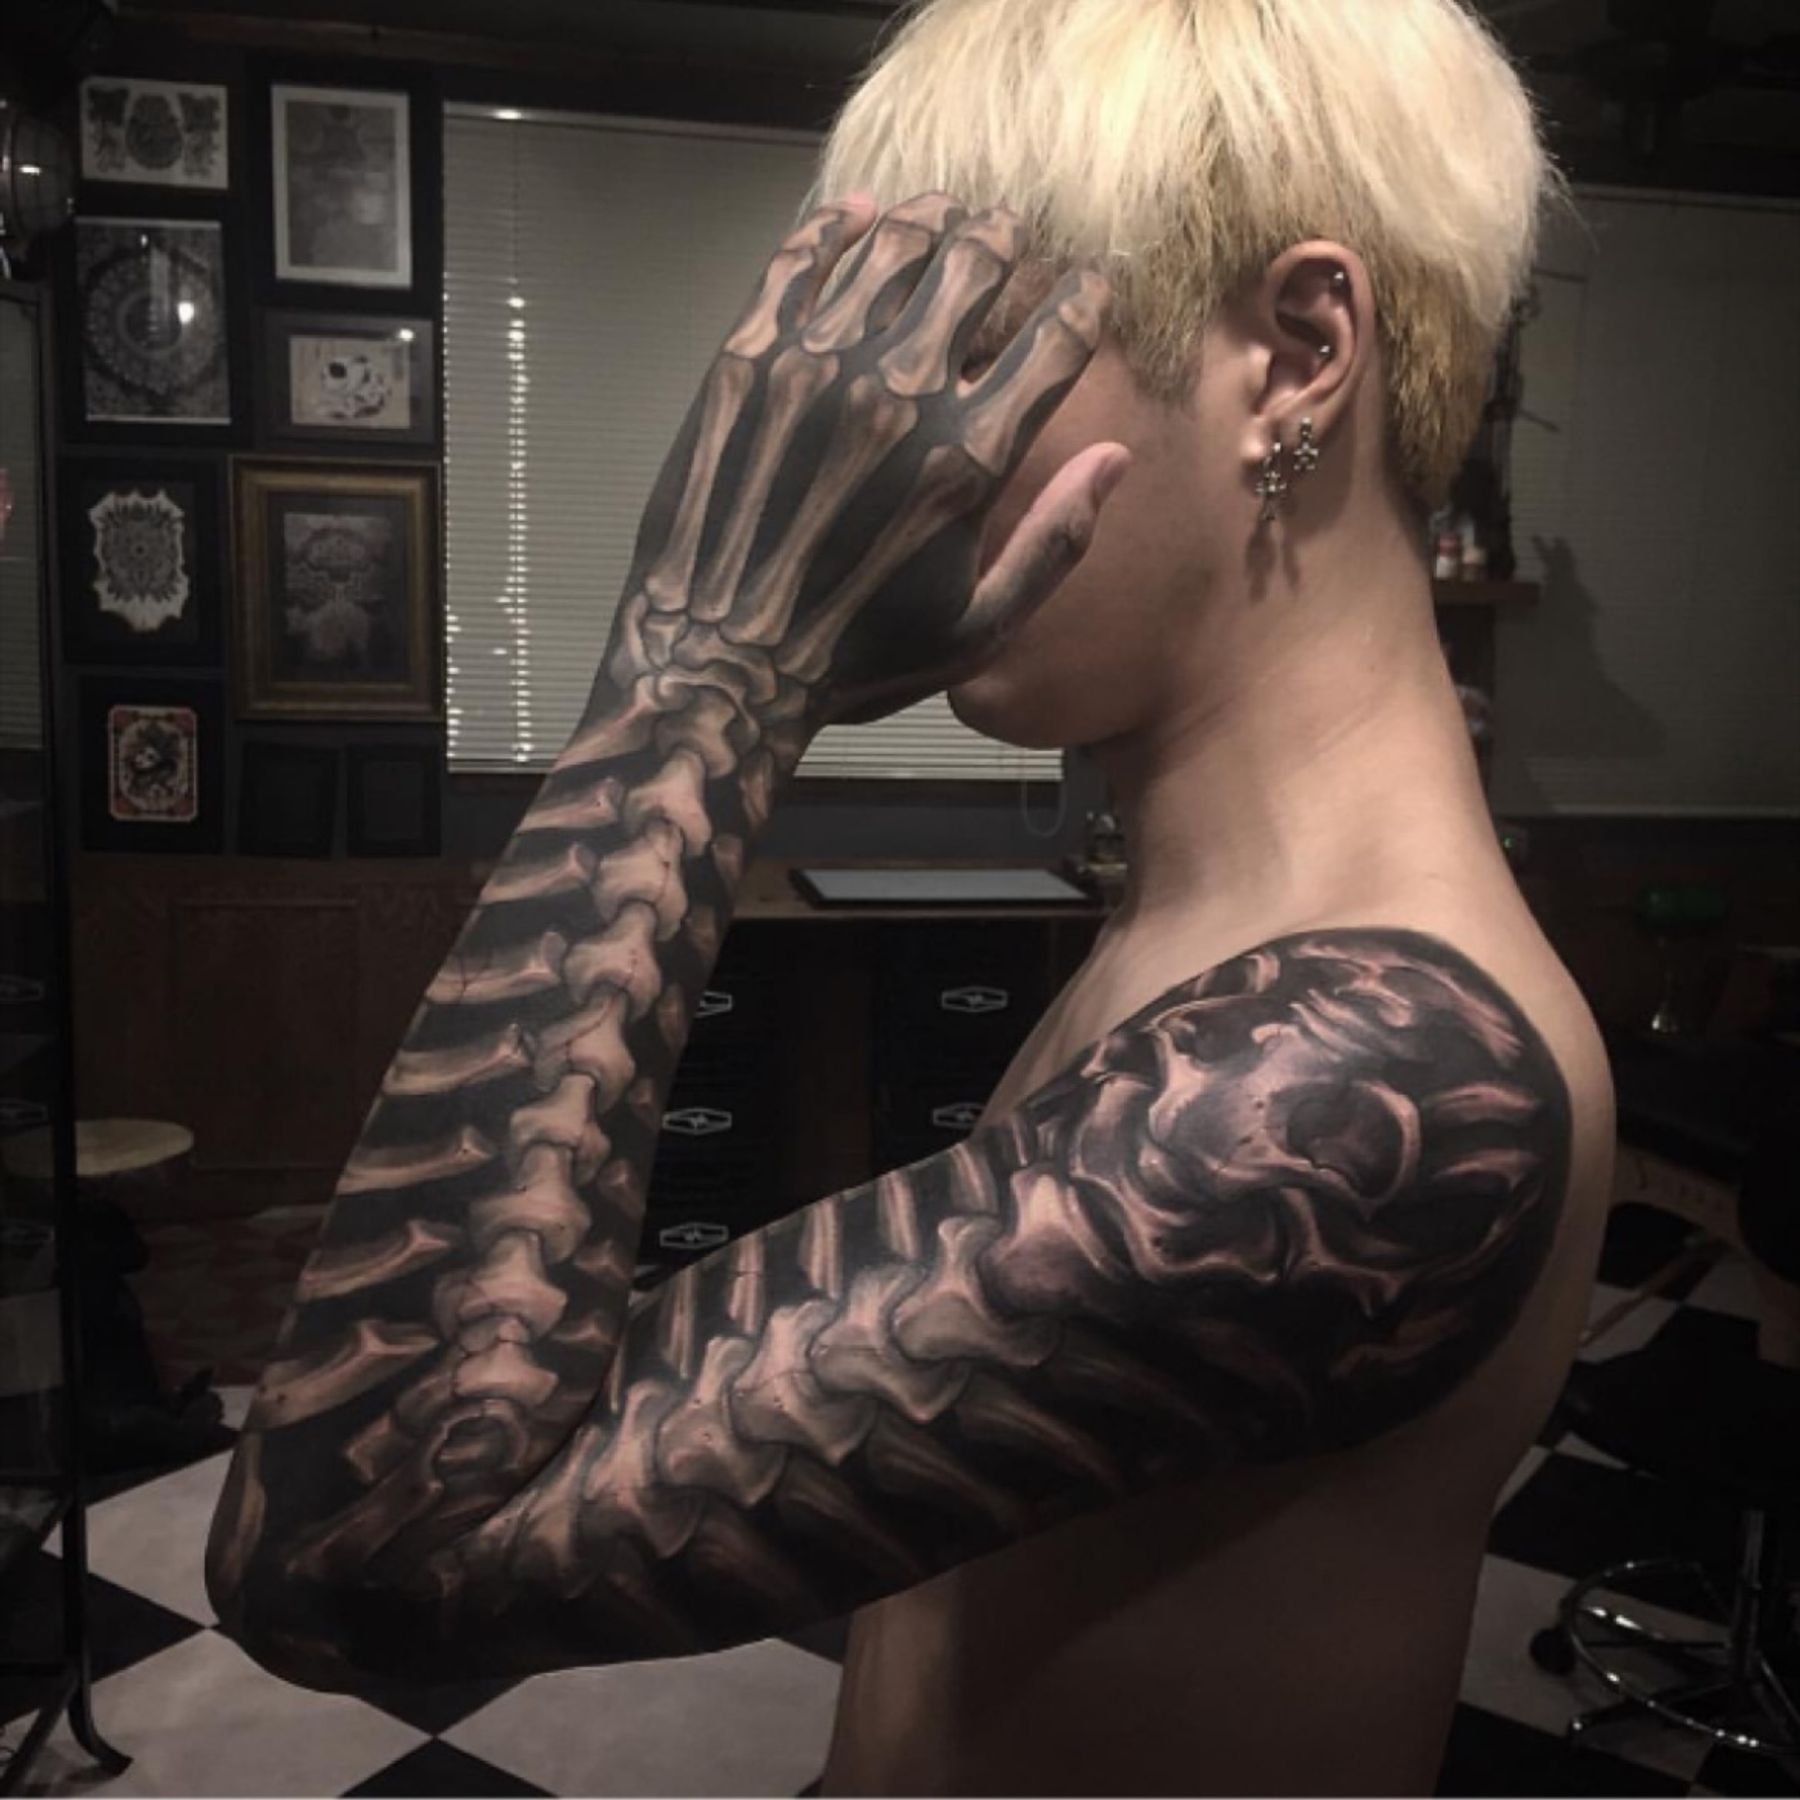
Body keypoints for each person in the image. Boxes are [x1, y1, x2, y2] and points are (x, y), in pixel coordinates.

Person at [205, 1, 1616, 1794]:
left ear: (1295, 357)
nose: (896, 451)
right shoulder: (1233, 935)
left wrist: (708, 665)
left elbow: (354, 1549)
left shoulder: (1372, 1066)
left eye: (985, 342)